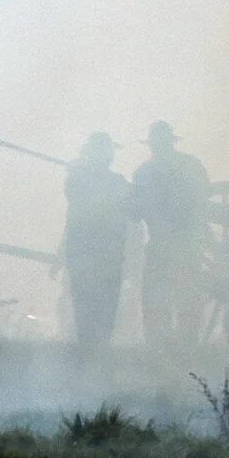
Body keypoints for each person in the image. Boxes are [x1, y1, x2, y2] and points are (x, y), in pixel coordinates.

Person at [132, 121, 213, 348]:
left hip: (171, 244)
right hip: (181, 245)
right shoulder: (191, 165)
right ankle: (179, 347)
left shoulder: (143, 172)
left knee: (161, 300)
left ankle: (163, 348)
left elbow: (135, 211)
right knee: (178, 300)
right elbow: (204, 204)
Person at [60, 133, 131, 346]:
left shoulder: (79, 180)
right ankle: (94, 350)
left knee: (91, 305)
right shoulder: (83, 181)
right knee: (95, 305)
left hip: (94, 255)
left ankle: (93, 351)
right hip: (100, 255)